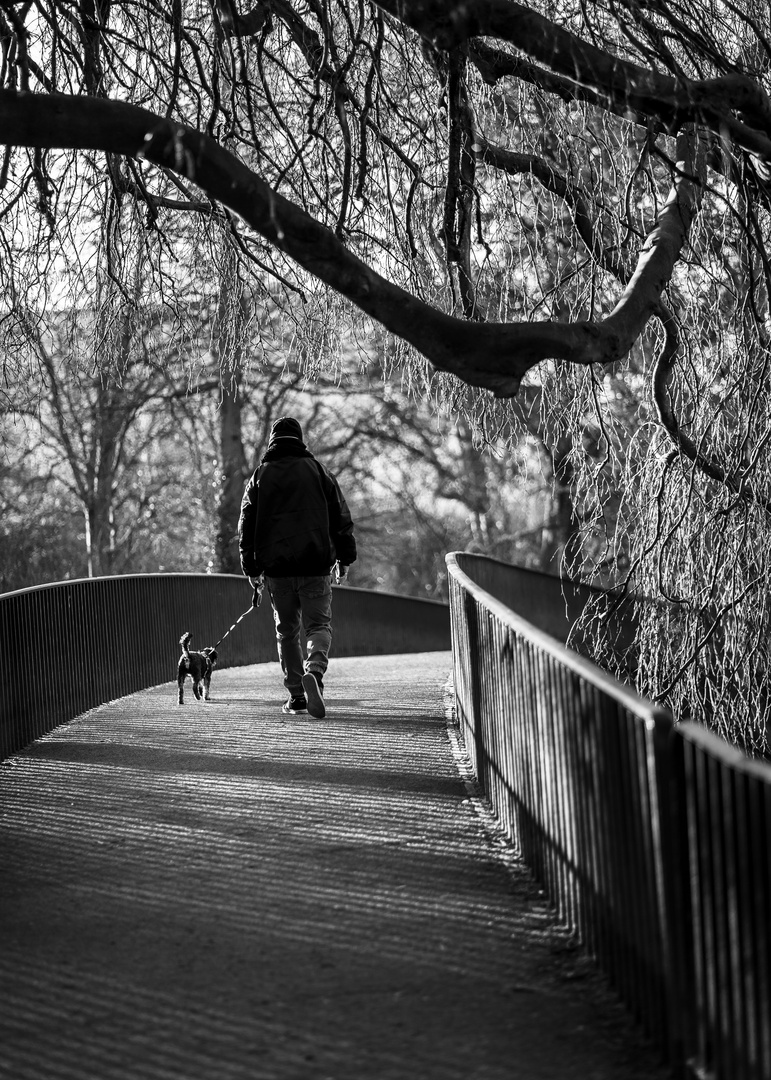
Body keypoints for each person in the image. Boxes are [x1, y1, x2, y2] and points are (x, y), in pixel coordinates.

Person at [238, 416, 357, 718]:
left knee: (287, 631)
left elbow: (246, 525)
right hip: (316, 565)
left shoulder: (260, 476)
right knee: (318, 626)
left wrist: (251, 568)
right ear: (300, 440)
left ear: (272, 442)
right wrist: (344, 560)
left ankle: (297, 697)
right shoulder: (319, 471)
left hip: (277, 571)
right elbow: (341, 517)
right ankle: (314, 672)